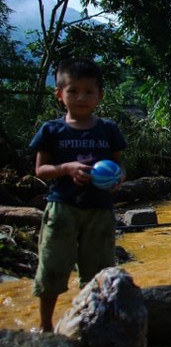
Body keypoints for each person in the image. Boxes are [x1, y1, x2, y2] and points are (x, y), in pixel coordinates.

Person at [30, 58, 127, 332]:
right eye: (73, 91)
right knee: (52, 265)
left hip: (100, 209)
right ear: (59, 94)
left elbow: (120, 163)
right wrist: (66, 168)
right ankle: (45, 325)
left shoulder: (108, 130)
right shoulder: (51, 130)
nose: (81, 97)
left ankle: (93, 324)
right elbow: (41, 169)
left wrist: (120, 176)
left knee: (98, 270)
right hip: (62, 208)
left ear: (100, 96)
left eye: (88, 91)